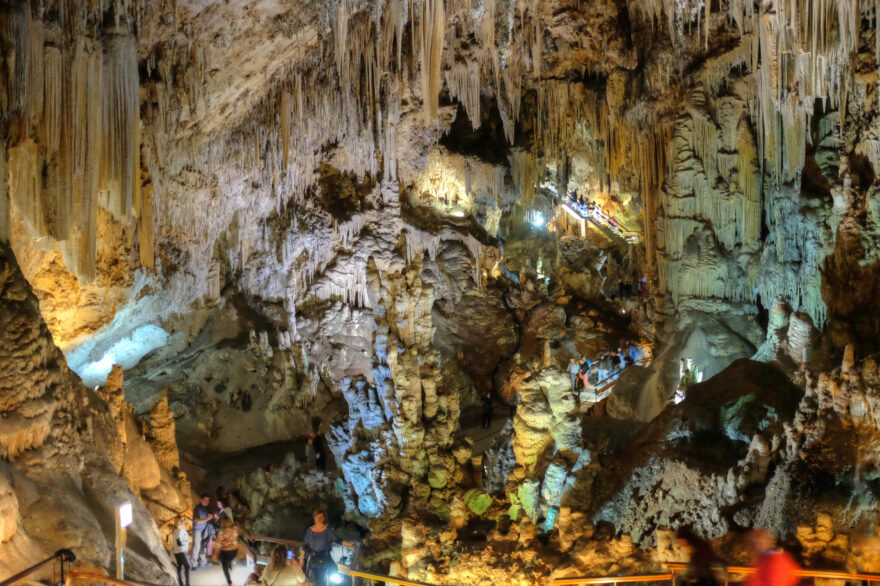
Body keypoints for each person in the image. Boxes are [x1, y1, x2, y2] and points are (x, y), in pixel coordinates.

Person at [300, 507, 340, 586]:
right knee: (318, 580)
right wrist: (301, 558)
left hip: (326, 558)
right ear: (314, 518)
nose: (318, 519)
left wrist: (349, 544)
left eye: (321, 517)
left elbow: (337, 540)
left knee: (334, 573)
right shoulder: (310, 531)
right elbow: (305, 546)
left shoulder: (328, 530)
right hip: (314, 559)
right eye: (317, 517)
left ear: (324, 518)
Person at [191, 494, 215, 568]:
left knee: (203, 547)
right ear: (201, 500)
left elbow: (210, 518)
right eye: (205, 500)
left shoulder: (207, 508)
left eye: (208, 500)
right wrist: (207, 519)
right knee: (196, 546)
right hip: (198, 530)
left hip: (205, 531)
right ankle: (193, 564)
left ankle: (203, 562)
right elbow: (197, 520)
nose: (207, 501)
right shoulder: (197, 509)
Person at [214, 516, 240, 586]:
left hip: (226, 552)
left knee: (224, 566)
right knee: (226, 560)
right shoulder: (235, 528)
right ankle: (229, 564)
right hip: (235, 551)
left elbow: (218, 544)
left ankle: (229, 583)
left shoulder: (222, 532)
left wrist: (215, 554)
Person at [171, 516, 191, 586]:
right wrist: (185, 543)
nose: (183, 521)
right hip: (181, 551)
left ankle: (181, 583)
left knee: (180, 566)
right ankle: (187, 584)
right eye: (181, 520)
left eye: (183, 520)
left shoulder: (179, 530)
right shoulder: (178, 531)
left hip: (177, 551)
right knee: (188, 566)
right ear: (178, 522)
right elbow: (179, 542)